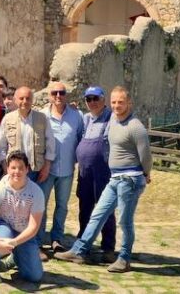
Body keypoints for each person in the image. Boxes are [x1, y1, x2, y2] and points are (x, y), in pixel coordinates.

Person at [56, 86, 152, 273]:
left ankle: (124, 258)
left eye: (121, 102)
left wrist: (146, 173)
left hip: (129, 179)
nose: (117, 105)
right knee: (98, 214)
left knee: (125, 221)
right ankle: (80, 250)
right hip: (115, 178)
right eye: (114, 102)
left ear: (129, 103)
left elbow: (146, 155)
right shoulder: (114, 121)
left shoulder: (136, 126)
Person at [0, 151, 45, 284]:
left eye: (21, 168)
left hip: (24, 232)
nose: (17, 171)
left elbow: (33, 228)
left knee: (35, 276)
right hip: (3, 225)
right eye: (13, 168)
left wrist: (15, 242)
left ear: (27, 169)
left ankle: (14, 258)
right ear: (7, 169)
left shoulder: (36, 192)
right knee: (5, 235)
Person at [39, 81, 83, 253]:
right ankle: (38, 239)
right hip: (46, 170)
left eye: (62, 93)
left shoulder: (76, 115)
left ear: (66, 95)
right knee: (41, 205)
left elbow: (81, 138)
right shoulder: (42, 115)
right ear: (50, 95)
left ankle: (57, 238)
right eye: (55, 93)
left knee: (62, 206)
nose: (58, 96)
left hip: (66, 170)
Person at [75, 86, 116, 263]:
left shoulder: (112, 118)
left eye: (95, 98)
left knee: (105, 209)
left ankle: (108, 247)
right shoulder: (85, 119)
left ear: (103, 99)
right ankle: (83, 244)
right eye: (88, 99)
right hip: (84, 172)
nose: (92, 102)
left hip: (103, 172)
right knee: (85, 208)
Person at [0, 86, 55, 183]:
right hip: (15, 171)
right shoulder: (7, 119)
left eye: (28, 98)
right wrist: (5, 167)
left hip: (36, 171)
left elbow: (50, 143)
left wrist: (47, 166)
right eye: (21, 98)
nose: (25, 101)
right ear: (15, 100)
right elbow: (1, 146)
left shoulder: (42, 118)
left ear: (32, 100)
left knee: (35, 198)